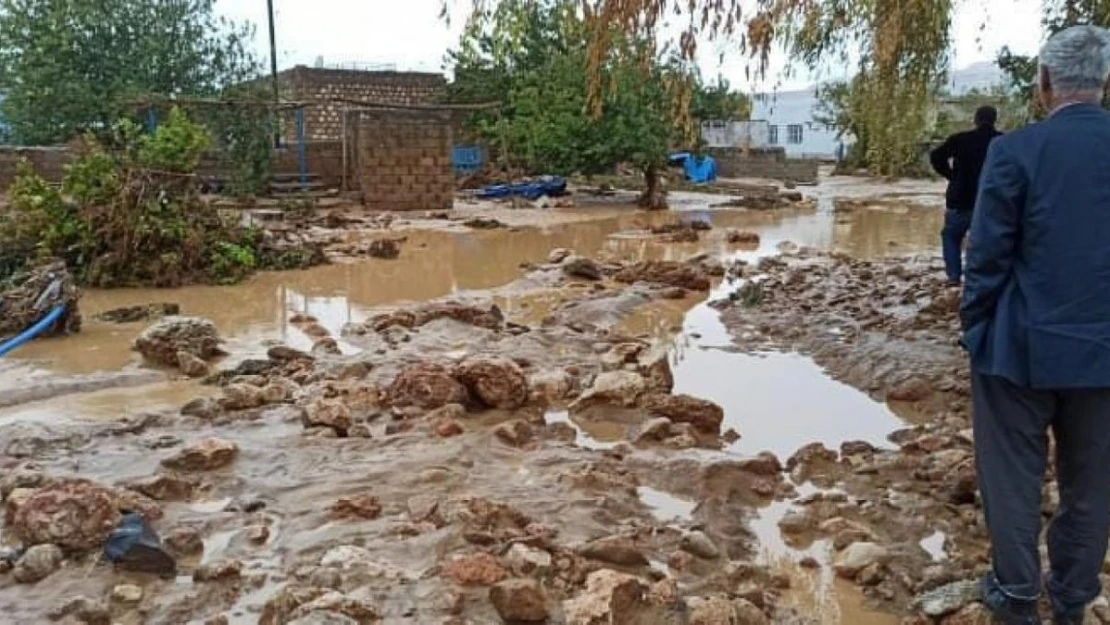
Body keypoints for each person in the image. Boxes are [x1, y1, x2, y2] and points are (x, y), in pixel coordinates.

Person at [961, 25, 1110, 625]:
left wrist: (976, 328)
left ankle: (1017, 594)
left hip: (1018, 350)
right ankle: (1072, 599)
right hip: (1104, 353)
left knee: (1012, 476)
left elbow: (988, 256)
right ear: (1104, 81)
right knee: (1092, 479)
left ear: (1044, 82)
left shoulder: (1015, 151)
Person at [930, 105, 1002, 285]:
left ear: (975, 119)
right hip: (991, 201)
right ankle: (982, 278)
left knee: (951, 236)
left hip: (960, 199)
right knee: (988, 241)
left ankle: (954, 277)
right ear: (995, 120)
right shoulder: (1003, 141)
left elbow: (936, 155)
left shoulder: (960, 139)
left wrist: (951, 176)